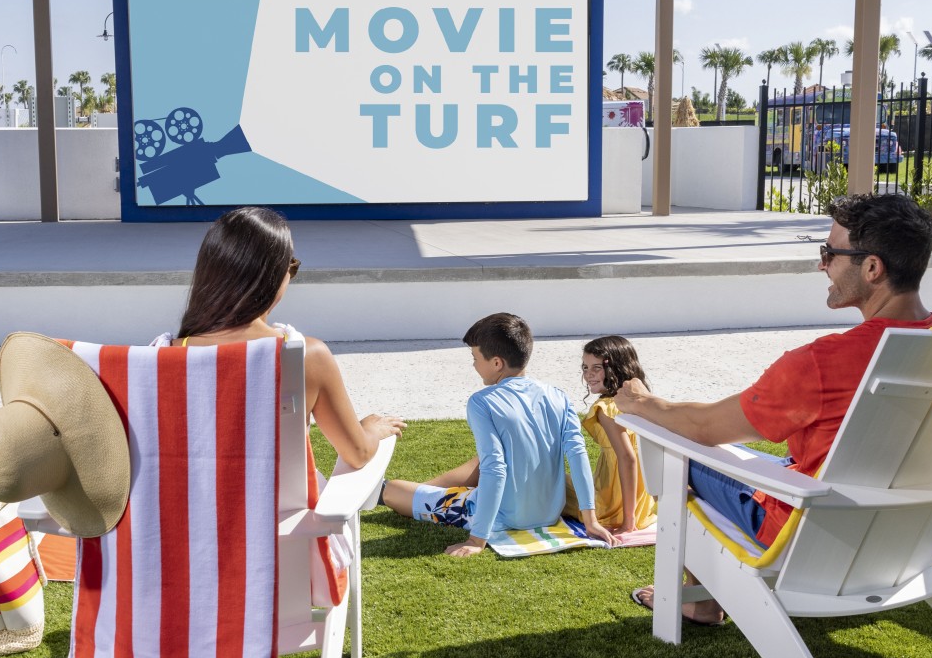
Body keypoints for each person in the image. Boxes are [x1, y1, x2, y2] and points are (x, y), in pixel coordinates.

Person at [616, 193, 932, 624]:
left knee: (677, 449)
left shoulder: (820, 363)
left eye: (830, 254)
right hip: (903, 538)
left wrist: (642, 402)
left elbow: (704, 427)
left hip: (809, 532)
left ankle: (700, 604)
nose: (821, 265)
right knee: (768, 460)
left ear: (872, 268)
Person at [164, 206, 403, 471]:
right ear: (274, 276)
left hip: (184, 499)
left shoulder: (159, 358)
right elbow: (358, 453)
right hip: (284, 501)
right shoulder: (305, 356)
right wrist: (370, 429)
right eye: (291, 265)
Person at [383, 312, 617, 557]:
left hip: (501, 516)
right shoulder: (558, 396)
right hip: (549, 513)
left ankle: (410, 491)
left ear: (496, 363)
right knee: (482, 465)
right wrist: (590, 521)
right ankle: (433, 489)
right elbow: (578, 455)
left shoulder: (482, 402)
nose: (474, 365)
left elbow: (495, 468)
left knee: (393, 491)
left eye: (475, 358)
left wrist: (477, 538)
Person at [564, 335, 657, 533]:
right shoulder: (640, 403)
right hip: (641, 507)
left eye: (597, 367)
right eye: (585, 367)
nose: (589, 374)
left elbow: (627, 458)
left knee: (551, 482)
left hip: (608, 507)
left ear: (617, 368)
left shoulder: (607, 409)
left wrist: (628, 523)